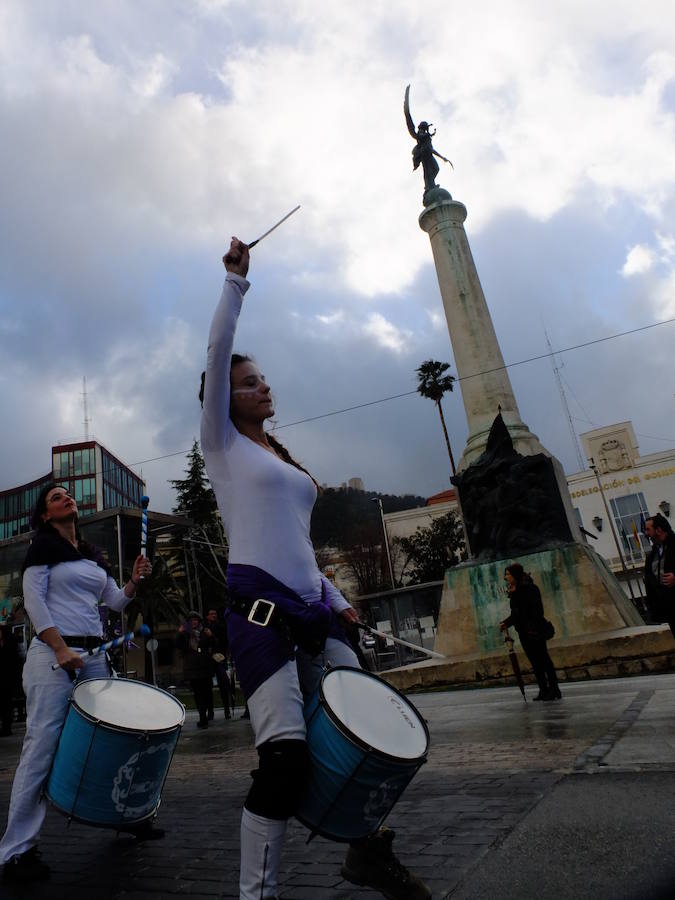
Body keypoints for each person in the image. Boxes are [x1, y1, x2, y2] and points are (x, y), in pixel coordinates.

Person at [200, 237, 431, 900]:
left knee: (364, 736)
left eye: (262, 378)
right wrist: (234, 283)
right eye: (247, 382)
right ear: (224, 397)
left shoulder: (281, 460)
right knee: (284, 760)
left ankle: (367, 853)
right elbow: (216, 355)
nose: (260, 384)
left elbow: (296, 546)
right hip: (260, 617)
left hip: (318, 611)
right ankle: (258, 894)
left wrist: (336, 596)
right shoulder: (220, 446)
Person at [0, 483, 153, 884]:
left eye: (68, 494)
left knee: (113, 738)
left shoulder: (88, 557)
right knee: (41, 747)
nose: (66, 497)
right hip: (53, 657)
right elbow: (34, 603)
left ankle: (128, 816)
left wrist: (133, 580)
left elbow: (116, 602)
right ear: (46, 515)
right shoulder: (41, 549)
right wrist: (59, 647)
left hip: (92, 657)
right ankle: (17, 851)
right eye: (56, 497)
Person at [499, 563, 560, 701]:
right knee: (535, 663)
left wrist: (531, 627)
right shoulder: (514, 592)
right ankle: (543, 689)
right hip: (524, 632)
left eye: (508, 574)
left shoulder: (530, 589)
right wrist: (506, 623)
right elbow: (516, 614)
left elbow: (536, 611)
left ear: (515, 575)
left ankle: (554, 689)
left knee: (544, 661)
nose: (505, 577)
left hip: (535, 631)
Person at [176, 611, 214, 728]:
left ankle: (208, 712)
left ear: (199, 621)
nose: (194, 622)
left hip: (205, 668)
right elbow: (177, 645)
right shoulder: (185, 634)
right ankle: (203, 717)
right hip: (192, 669)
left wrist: (211, 636)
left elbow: (214, 643)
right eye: (192, 620)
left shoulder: (204, 631)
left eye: (196, 620)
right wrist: (179, 633)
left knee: (207, 693)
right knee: (198, 694)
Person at [644, 513, 675, 637]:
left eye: (648, 529)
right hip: (670, 610)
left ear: (659, 530)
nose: (646, 534)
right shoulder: (653, 554)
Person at [205, 607, 232, 719]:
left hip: (219, 657)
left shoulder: (220, 626)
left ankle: (227, 710)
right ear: (207, 616)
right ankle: (210, 712)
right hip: (208, 659)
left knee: (223, 685)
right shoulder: (205, 627)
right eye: (211, 613)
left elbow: (223, 641)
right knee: (207, 687)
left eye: (215, 613)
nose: (213, 615)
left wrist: (212, 636)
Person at [0, 624, 21, 736]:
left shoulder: (10, 642)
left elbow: (15, 663)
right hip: (6, 678)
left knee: (6, 704)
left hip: (7, 679)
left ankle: (6, 728)